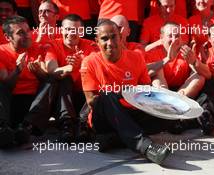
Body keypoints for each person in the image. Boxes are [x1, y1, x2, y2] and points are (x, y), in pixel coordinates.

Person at [80, 20, 170, 165]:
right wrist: (120, 94)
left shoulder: (136, 57)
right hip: (103, 118)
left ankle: (113, 139)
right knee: (108, 96)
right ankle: (146, 147)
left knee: (167, 117)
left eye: (113, 37)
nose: (110, 42)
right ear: (97, 41)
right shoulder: (89, 62)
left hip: (131, 113)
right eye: (104, 38)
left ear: (121, 37)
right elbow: (91, 101)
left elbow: (145, 91)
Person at [0, 16, 54, 148]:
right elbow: (6, 85)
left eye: (28, 30)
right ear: (8, 37)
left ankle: (26, 127)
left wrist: (39, 73)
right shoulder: (1, 51)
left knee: (52, 80)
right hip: (11, 102)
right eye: (20, 33)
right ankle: (2, 129)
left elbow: (47, 77)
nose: (27, 35)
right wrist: (18, 70)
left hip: (33, 105)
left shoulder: (39, 48)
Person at [45, 14, 98, 142]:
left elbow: (99, 71)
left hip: (85, 98)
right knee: (63, 78)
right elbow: (52, 70)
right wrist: (70, 68)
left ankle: (83, 123)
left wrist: (83, 63)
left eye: (75, 30)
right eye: (67, 29)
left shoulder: (90, 46)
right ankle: (66, 125)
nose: (70, 33)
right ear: (61, 30)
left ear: (82, 32)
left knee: (99, 84)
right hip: (63, 98)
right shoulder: (53, 45)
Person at [145, 22, 205, 99]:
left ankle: (178, 100)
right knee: (157, 72)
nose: (174, 40)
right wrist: (167, 60)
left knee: (199, 76)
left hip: (182, 90)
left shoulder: (185, 50)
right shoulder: (153, 51)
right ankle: (165, 99)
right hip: (161, 89)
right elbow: (143, 73)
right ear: (161, 37)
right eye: (170, 36)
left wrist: (193, 62)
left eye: (177, 36)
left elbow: (205, 74)